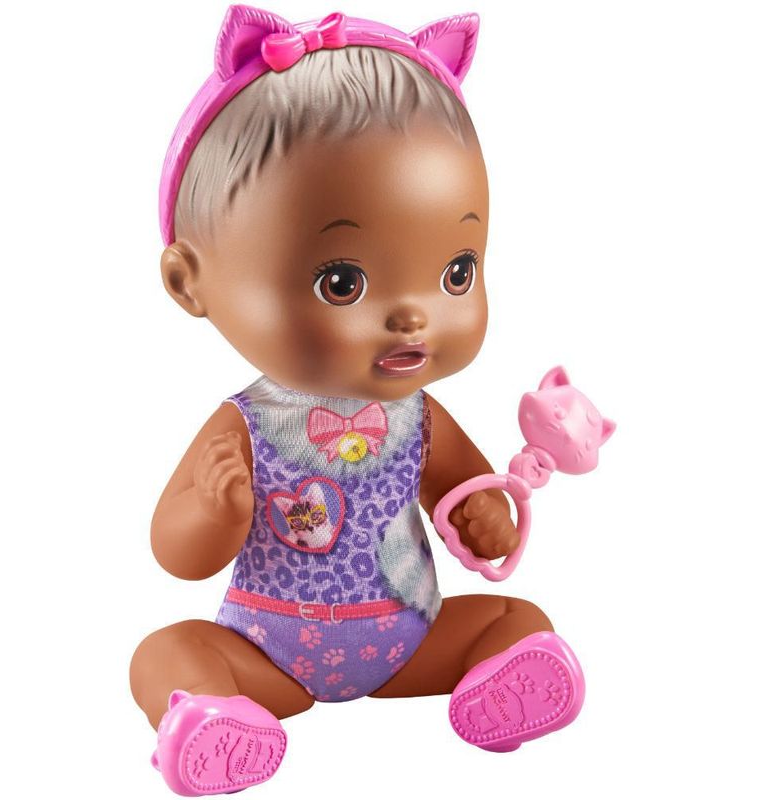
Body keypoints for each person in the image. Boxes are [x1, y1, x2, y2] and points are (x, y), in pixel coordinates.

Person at [130, 6, 585, 795]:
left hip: (409, 639)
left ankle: (500, 685)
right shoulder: (244, 426)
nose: (413, 316)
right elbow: (175, 555)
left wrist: (489, 517)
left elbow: (472, 507)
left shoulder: (421, 418)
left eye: (456, 273)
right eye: (342, 282)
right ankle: (220, 718)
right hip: (266, 651)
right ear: (189, 280)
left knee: (517, 619)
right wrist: (214, 512)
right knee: (165, 651)